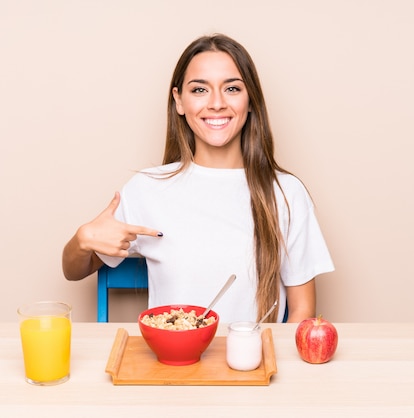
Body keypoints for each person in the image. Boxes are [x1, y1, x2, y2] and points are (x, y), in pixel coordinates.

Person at [62, 34, 334, 323]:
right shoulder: (147, 189)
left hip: (252, 364)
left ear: (251, 100)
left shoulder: (286, 193)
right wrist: (82, 241)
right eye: (199, 90)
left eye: (231, 88)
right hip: (171, 365)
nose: (216, 103)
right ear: (179, 101)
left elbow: (302, 311)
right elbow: (72, 270)